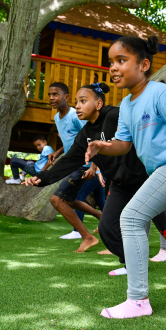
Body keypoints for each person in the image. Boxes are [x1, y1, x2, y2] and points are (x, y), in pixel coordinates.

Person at [85, 35, 166, 319]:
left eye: (121, 60)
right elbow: (124, 144)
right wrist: (103, 145)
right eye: (111, 62)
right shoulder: (127, 105)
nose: (114, 68)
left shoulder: (160, 93)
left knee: (132, 217)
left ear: (144, 64)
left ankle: (138, 300)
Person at [24, 83, 166, 274]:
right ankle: (131, 264)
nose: (78, 106)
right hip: (120, 184)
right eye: (77, 102)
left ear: (99, 104)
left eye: (83, 101)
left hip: (144, 180)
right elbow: (68, 161)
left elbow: (139, 129)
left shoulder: (115, 115)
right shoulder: (84, 135)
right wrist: (40, 179)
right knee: (107, 228)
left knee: (165, 228)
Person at [44, 82, 106, 244]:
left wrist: (94, 166)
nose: (52, 98)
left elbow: (94, 138)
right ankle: (103, 219)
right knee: (86, 200)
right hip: (77, 164)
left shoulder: (75, 116)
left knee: (62, 198)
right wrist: (56, 153)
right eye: (50, 94)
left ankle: (83, 234)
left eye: (56, 94)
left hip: (87, 165)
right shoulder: (58, 117)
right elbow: (72, 142)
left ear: (66, 97)